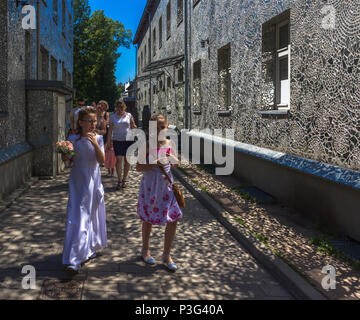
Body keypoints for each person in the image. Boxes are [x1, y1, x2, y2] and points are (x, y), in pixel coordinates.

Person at [61, 107, 107, 273]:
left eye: (95, 121)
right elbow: (68, 160)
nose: (93, 124)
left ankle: (89, 248)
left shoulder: (99, 138)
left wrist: (94, 142)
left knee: (91, 214)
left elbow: (102, 160)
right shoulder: (72, 138)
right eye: (90, 121)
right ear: (81, 123)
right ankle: (74, 259)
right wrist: (65, 154)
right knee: (78, 215)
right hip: (78, 181)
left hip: (93, 181)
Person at [136, 114, 183, 271]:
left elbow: (176, 164)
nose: (159, 130)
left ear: (167, 126)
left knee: (173, 218)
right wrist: (155, 162)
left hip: (167, 187)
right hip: (150, 187)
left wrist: (171, 158)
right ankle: (145, 250)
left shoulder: (170, 143)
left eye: (162, 127)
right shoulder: (147, 145)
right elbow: (138, 167)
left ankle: (167, 254)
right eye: (155, 127)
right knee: (148, 219)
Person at [107, 99, 137, 190]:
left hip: (128, 140)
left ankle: (124, 180)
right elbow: (110, 130)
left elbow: (133, 126)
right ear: (116, 108)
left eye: (121, 108)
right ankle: (119, 181)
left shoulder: (129, 115)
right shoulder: (113, 117)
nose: (119, 110)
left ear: (124, 108)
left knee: (127, 160)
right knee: (119, 159)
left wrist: (134, 127)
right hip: (117, 140)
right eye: (118, 108)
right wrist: (108, 142)